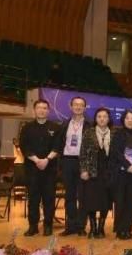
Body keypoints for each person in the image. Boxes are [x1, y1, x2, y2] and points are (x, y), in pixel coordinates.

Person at [19, 99, 60, 236]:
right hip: (32, 169)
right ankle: (33, 226)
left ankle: (48, 225)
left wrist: (47, 159)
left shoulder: (55, 127)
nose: (42, 110)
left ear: (48, 111)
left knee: (49, 199)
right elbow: (24, 147)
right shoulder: (27, 128)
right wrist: (37, 160)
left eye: (44, 108)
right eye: (39, 108)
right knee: (33, 199)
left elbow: (57, 147)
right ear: (34, 110)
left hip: (50, 169)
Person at [58, 96, 91, 237]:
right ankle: (70, 226)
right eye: (75, 104)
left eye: (81, 105)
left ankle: (81, 226)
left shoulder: (90, 125)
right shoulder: (64, 124)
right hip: (67, 161)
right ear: (71, 107)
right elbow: (60, 144)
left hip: (82, 162)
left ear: (85, 107)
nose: (78, 107)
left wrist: (87, 167)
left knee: (83, 196)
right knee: (69, 196)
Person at [79, 108, 113, 239]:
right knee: (91, 201)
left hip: (108, 173)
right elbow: (82, 153)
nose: (102, 119)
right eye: (99, 116)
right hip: (92, 172)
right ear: (96, 119)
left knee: (105, 201)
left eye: (105, 116)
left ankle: (101, 228)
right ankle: (93, 228)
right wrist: (83, 170)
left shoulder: (114, 133)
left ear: (108, 119)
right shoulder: (89, 132)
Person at [109, 109, 132, 240]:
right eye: (127, 118)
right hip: (121, 173)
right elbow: (116, 152)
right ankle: (120, 230)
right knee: (120, 202)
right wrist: (128, 166)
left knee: (130, 202)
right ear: (123, 120)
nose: (130, 120)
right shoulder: (118, 134)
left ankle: (128, 228)